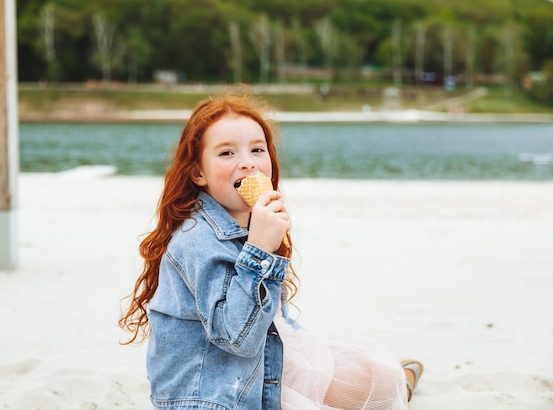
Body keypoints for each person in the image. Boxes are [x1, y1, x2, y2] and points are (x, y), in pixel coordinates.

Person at [119, 93, 423, 410]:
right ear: (198, 173)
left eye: (257, 149)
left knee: (373, 374)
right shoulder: (197, 240)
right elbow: (238, 339)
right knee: (374, 389)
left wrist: (317, 357)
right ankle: (403, 383)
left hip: (258, 373)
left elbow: (277, 321)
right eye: (226, 153)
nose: (247, 162)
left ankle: (401, 381)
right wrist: (259, 249)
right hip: (213, 396)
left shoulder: (254, 223)